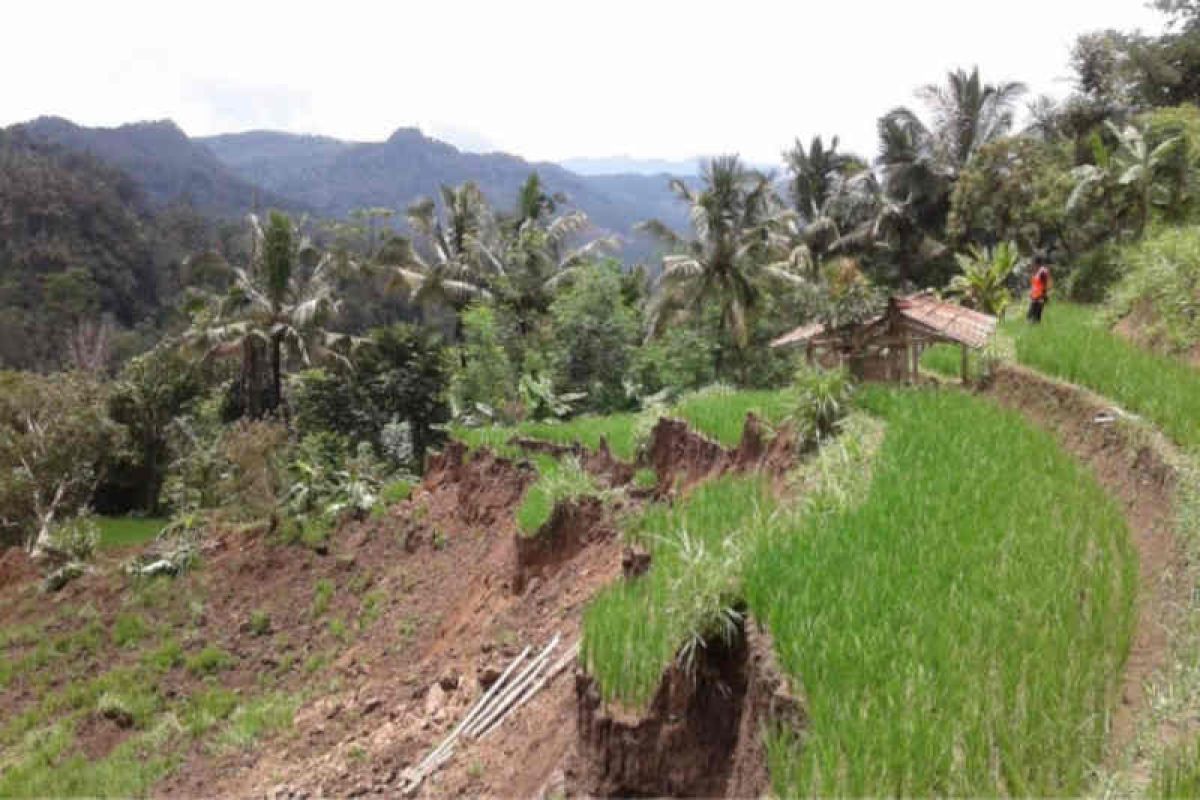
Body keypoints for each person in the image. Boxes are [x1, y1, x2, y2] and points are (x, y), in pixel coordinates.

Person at [1027, 257, 1052, 323]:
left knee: (1035, 316)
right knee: (1030, 316)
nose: (1032, 265)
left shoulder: (1042, 272)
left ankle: (1035, 328)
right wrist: (1030, 293)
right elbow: (1034, 284)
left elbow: (1046, 284)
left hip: (1040, 297)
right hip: (1034, 296)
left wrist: (1044, 297)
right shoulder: (1036, 271)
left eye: (1033, 263)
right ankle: (1033, 328)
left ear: (1037, 263)